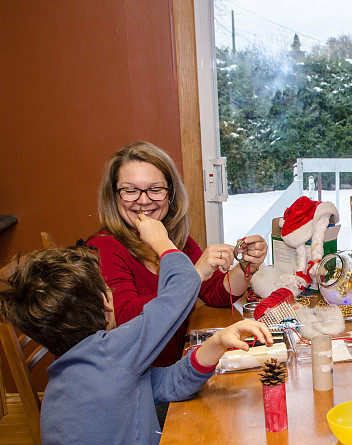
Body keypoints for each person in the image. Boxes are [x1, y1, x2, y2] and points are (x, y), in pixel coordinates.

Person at [0, 214, 272, 445]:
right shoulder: (112, 352)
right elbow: (183, 286)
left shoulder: (75, 372)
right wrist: (162, 242)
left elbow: (167, 385)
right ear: (106, 302)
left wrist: (216, 344)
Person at [88, 141, 268, 367]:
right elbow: (125, 321)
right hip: (142, 378)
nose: (143, 200)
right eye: (130, 190)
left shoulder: (174, 235)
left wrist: (246, 267)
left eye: (155, 189)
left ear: (170, 195)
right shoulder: (104, 247)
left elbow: (215, 295)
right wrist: (192, 273)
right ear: (114, 197)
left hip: (176, 363)